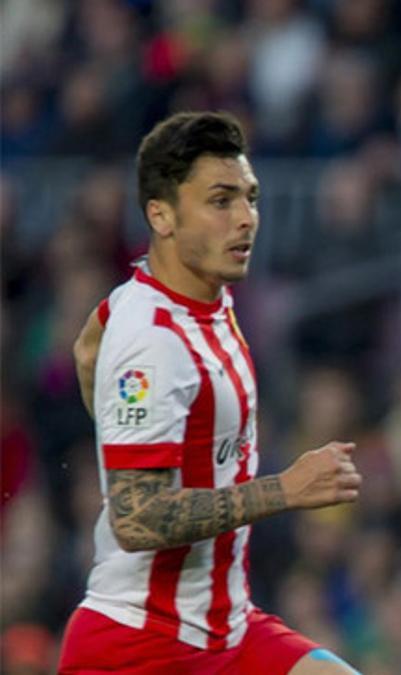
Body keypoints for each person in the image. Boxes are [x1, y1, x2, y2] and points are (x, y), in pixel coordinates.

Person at [61, 111, 362, 674]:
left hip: (230, 628)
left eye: (250, 197)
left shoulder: (198, 298)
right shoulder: (152, 340)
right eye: (220, 201)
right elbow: (136, 520)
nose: (246, 219)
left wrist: (126, 433)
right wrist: (285, 490)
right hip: (140, 647)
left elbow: (87, 347)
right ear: (162, 215)